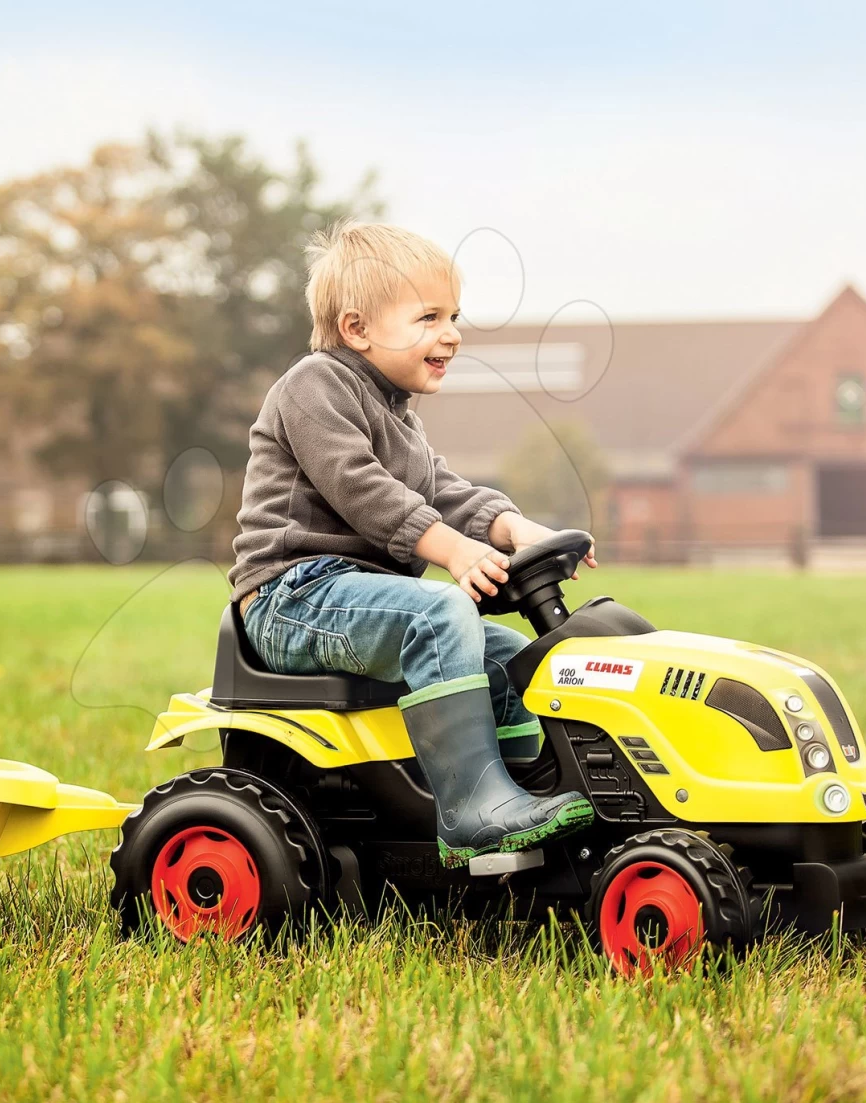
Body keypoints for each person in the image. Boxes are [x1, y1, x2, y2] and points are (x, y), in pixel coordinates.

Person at [228, 219, 598, 867]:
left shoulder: (398, 415)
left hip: (351, 600)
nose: (451, 333)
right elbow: (361, 487)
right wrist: (453, 552)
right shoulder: (313, 387)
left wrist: (515, 528)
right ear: (357, 328)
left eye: (454, 316)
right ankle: (474, 809)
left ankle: (525, 793)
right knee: (442, 613)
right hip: (292, 598)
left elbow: (443, 491)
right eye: (428, 317)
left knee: (513, 655)